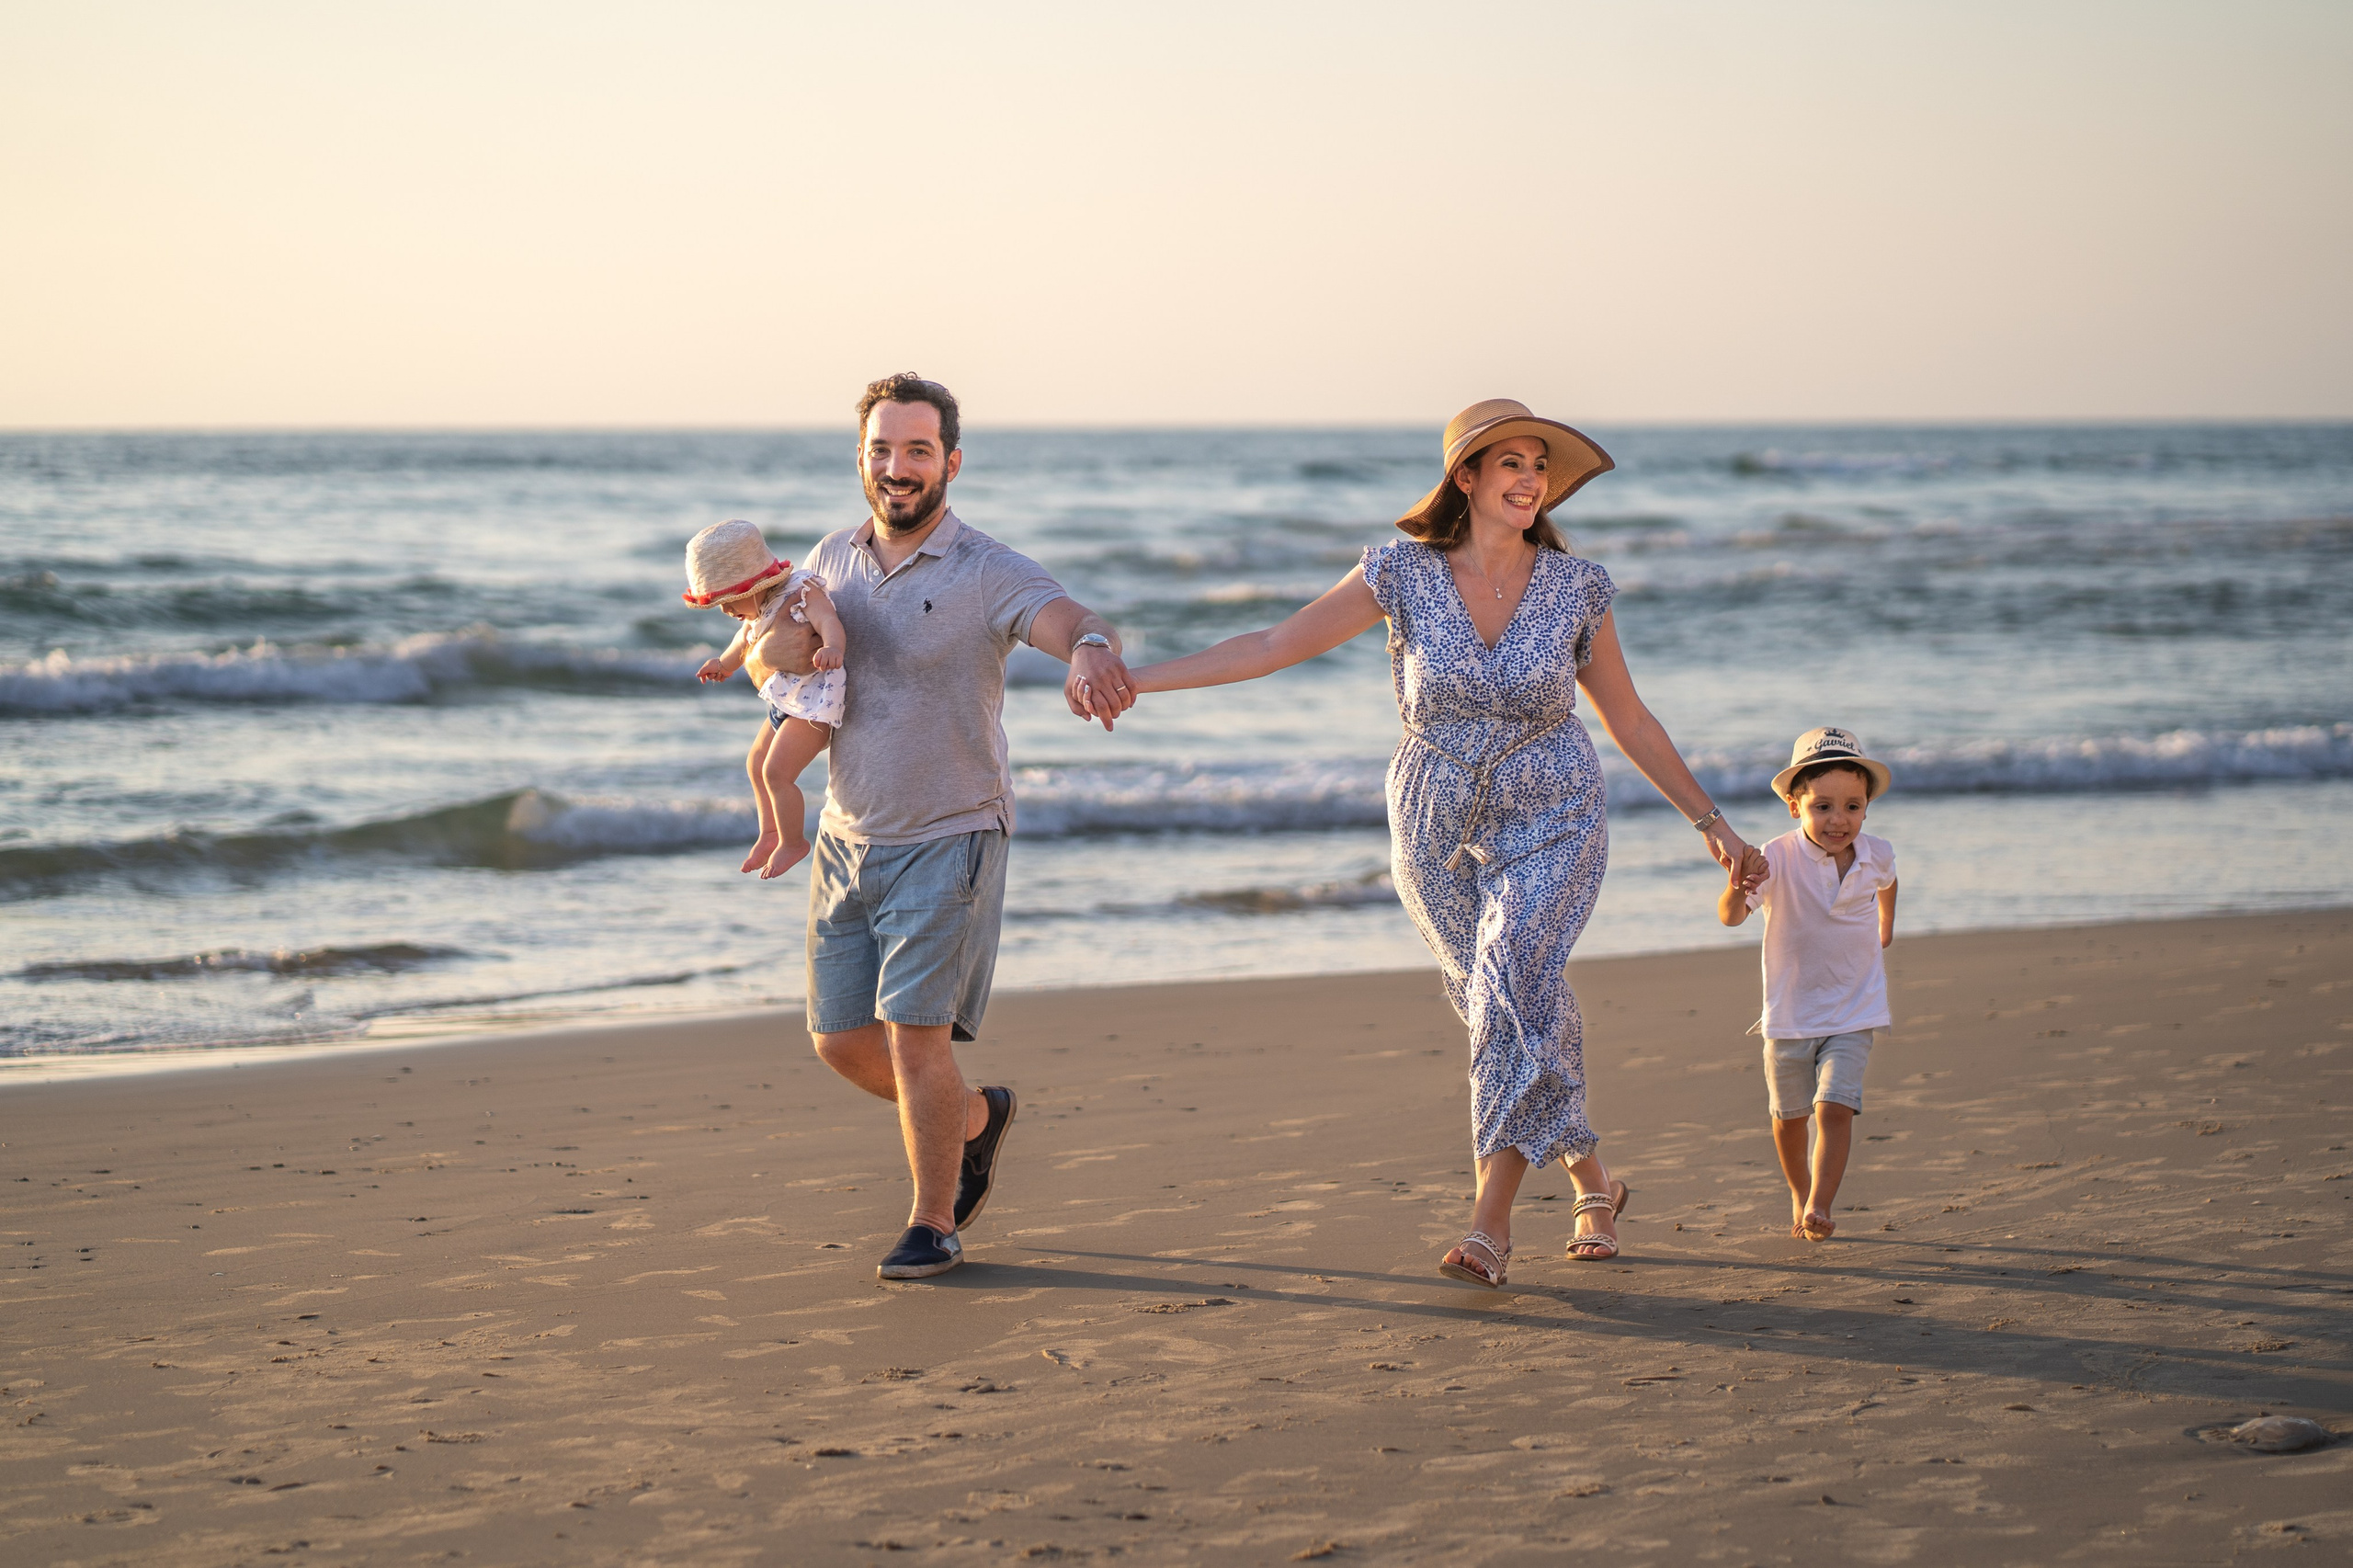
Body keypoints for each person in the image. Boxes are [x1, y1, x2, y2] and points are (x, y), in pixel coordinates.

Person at [1127, 399, 1754, 1287]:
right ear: (1465, 478)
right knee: (1500, 1000)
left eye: (1540, 466)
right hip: (1433, 824)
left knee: (1509, 980)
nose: (1531, 480)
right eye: (1511, 464)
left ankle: (1489, 1226)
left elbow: (1631, 718)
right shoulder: (1401, 576)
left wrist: (1712, 824)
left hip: (1556, 811)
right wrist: (1138, 682)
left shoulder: (1579, 588)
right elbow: (1272, 644)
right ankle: (1594, 1182)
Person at [755, 372, 1136, 1280]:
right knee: (838, 1038)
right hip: (850, 838)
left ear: (949, 462)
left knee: (912, 1035)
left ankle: (933, 1221)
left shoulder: (985, 570)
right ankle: (969, 1116)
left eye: (917, 450)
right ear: (861, 460)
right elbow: (793, 666)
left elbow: (1078, 618)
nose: (897, 467)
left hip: (951, 831)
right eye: (881, 449)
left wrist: (1088, 649)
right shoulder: (830, 560)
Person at [1717, 727, 1899, 1242]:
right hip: (1790, 1014)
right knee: (1790, 1118)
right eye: (1822, 806)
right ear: (1795, 806)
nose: (1838, 819)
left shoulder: (1876, 852)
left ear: (1866, 808)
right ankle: (1799, 1192)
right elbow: (1731, 917)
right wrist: (1737, 882)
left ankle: (1819, 1204)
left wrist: (1886, 924)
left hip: (1854, 1009)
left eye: (1852, 806)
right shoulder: (1776, 857)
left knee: (1834, 1108)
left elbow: (1889, 881)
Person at [685, 519, 847, 880]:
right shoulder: (759, 609)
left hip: (815, 705)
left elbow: (829, 620)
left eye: (729, 600)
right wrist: (723, 664)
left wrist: (834, 647)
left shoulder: (803, 592)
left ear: (756, 585)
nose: (727, 611)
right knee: (755, 763)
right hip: (785, 703)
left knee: (777, 771)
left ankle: (794, 841)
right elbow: (743, 642)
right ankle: (770, 831)